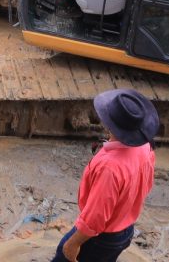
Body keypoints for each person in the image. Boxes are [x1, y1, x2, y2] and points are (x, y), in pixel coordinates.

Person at [51, 88, 159, 262]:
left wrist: (72, 244)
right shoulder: (144, 146)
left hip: (101, 237)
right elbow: (146, 185)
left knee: (64, 252)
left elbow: (95, 218)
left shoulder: (109, 167)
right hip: (125, 229)